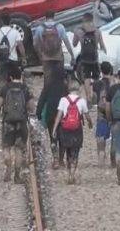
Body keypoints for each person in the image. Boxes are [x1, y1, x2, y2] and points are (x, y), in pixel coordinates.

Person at [33, 10, 74, 168]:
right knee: (63, 132)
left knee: (52, 134)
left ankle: (55, 158)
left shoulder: (40, 28)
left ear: (45, 17)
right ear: (54, 16)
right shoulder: (60, 27)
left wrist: (41, 54)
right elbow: (65, 42)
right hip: (58, 57)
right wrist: (71, 54)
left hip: (46, 58)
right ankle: (63, 158)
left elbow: (36, 43)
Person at [0, 64, 33, 183]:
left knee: (6, 147)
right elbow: (31, 107)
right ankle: (17, 176)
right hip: (21, 122)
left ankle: (8, 166)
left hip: (8, 122)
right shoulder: (25, 88)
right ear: (20, 75)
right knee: (19, 149)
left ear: (10, 77)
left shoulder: (5, 88)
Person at [52, 80, 92, 184]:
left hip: (65, 129)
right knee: (75, 152)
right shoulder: (82, 101)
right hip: (77, 130)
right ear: (78, 89)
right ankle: (72, 174)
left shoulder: (63, 100)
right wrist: (90, 123)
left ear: (68, 89)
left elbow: (59, 115)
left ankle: (68, 173)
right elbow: (87, 116)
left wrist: (54, 128)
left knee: (68, 151)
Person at [72, 13, 106, 105]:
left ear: (83, 19)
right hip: (94, 57)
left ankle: (88, 98)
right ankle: (97, 98)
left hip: (84, 57)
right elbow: (102, 45)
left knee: (87, 77)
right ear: (92, 19)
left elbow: (74, 44)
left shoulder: (79, 31)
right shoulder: (97, 31)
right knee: (95, 78)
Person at [0, 13, 26, 89]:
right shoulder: (15, 32)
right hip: (13, 59)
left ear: (1, 22)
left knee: (3, 80)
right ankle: (14, 96)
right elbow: (20, 46)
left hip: (2, 60)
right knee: (15, 79)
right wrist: (23, 58)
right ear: (10, 22)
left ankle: (4, 98)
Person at [94, 62, 113, 167]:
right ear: (110, 70)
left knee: (100, 137)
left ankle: (101, 155)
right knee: (113, 136)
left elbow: (92, 98)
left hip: (101, 114)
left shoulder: (97, 83)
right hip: (113, 114)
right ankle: (113, 159)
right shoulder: (113, 84)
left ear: (101, 71)